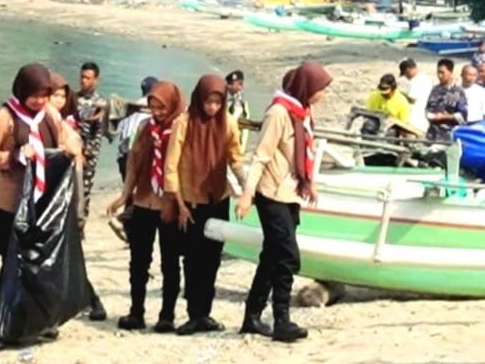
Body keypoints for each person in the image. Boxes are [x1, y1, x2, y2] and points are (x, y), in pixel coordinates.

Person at [0, 63, 85, 330]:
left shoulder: (48, 113)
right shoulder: (6, 116)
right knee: (11, 259)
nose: (39, 101)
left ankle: (36, 317)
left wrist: (70, 149)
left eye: (44, 95)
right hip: (11, 203)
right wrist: (13, 156)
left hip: (43, 201)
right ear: (21, 90)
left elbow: (69, 139)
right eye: (34, 95)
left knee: (38, 260)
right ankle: (1, 309)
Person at [236, 62, 333, 343]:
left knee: (271, 256)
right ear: (307, 87)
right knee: (287, 256)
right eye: (320, 89)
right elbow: (261, 156)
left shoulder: (301, 114)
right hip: (271, 194)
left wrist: (309, 183)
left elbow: (303, 153)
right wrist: (247, 194)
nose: (322, 95)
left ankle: (252, 317)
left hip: (290, 193)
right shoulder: (278, 113)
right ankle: (281, 320)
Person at [164, 75, 247, 334]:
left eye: (217, 102)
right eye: (208, 101)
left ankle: (206, 313)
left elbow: (235, 158)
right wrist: (179, 203)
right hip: (190, 202)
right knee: (192, 259)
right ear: (199, 99)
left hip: (217, 199)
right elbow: (171, 165)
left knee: (212, 259)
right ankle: (193, 313)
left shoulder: (228, 123)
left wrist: (247, 186)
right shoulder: (184, 123)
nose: (212, 107)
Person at [106, 81, 185, 333]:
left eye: (162, 108)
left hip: (170, 205)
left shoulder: (181, 128)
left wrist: (183, 204)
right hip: (143, 201)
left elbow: (187, 169)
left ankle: (167, 316)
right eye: (153, 107)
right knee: (138, 261)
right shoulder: (144, 127)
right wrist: (124, 195)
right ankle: (136, 312)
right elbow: (133, 163)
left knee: (170, 262)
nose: (158, 113)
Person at [75, 61, 108, 220]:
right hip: (71, 152)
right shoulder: (73, 99)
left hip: (88, 154)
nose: (83, 81)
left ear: (96, 80)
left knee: (84, 191)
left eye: (88, 78)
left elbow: (96, 134)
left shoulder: (100, 103)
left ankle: (80, 226)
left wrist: (87, 154)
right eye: (82, 77)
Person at [117, 77, 156, 182]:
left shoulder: (129, 108)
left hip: (122, 157)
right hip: (137, 158)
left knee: (128, 192)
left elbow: (120, 133)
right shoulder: (152, 110)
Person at [425, 59, 467, 143]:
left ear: (451, 72)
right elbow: (428, 110)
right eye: (438, 72)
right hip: (432, 135)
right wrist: (432, 116)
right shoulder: (435, 90)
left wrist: (445, 117)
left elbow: (463, 116)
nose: (440, 75)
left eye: (442, 72)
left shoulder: (458, 91)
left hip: (449, 136)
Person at [397, 59, 432, 135]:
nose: (406, 77)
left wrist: (399, 94)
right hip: (423, 119)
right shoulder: (425, 77)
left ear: (408, 70)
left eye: (405, 74)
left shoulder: (416, 80)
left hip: (416, 120)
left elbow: (413, 99)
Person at [226, 70, 251, 150]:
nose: (228, 86)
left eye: (231, 84)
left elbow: (234, 119)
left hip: (237, 138)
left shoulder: (239, 101)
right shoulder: (233, 100)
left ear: (240, 85)